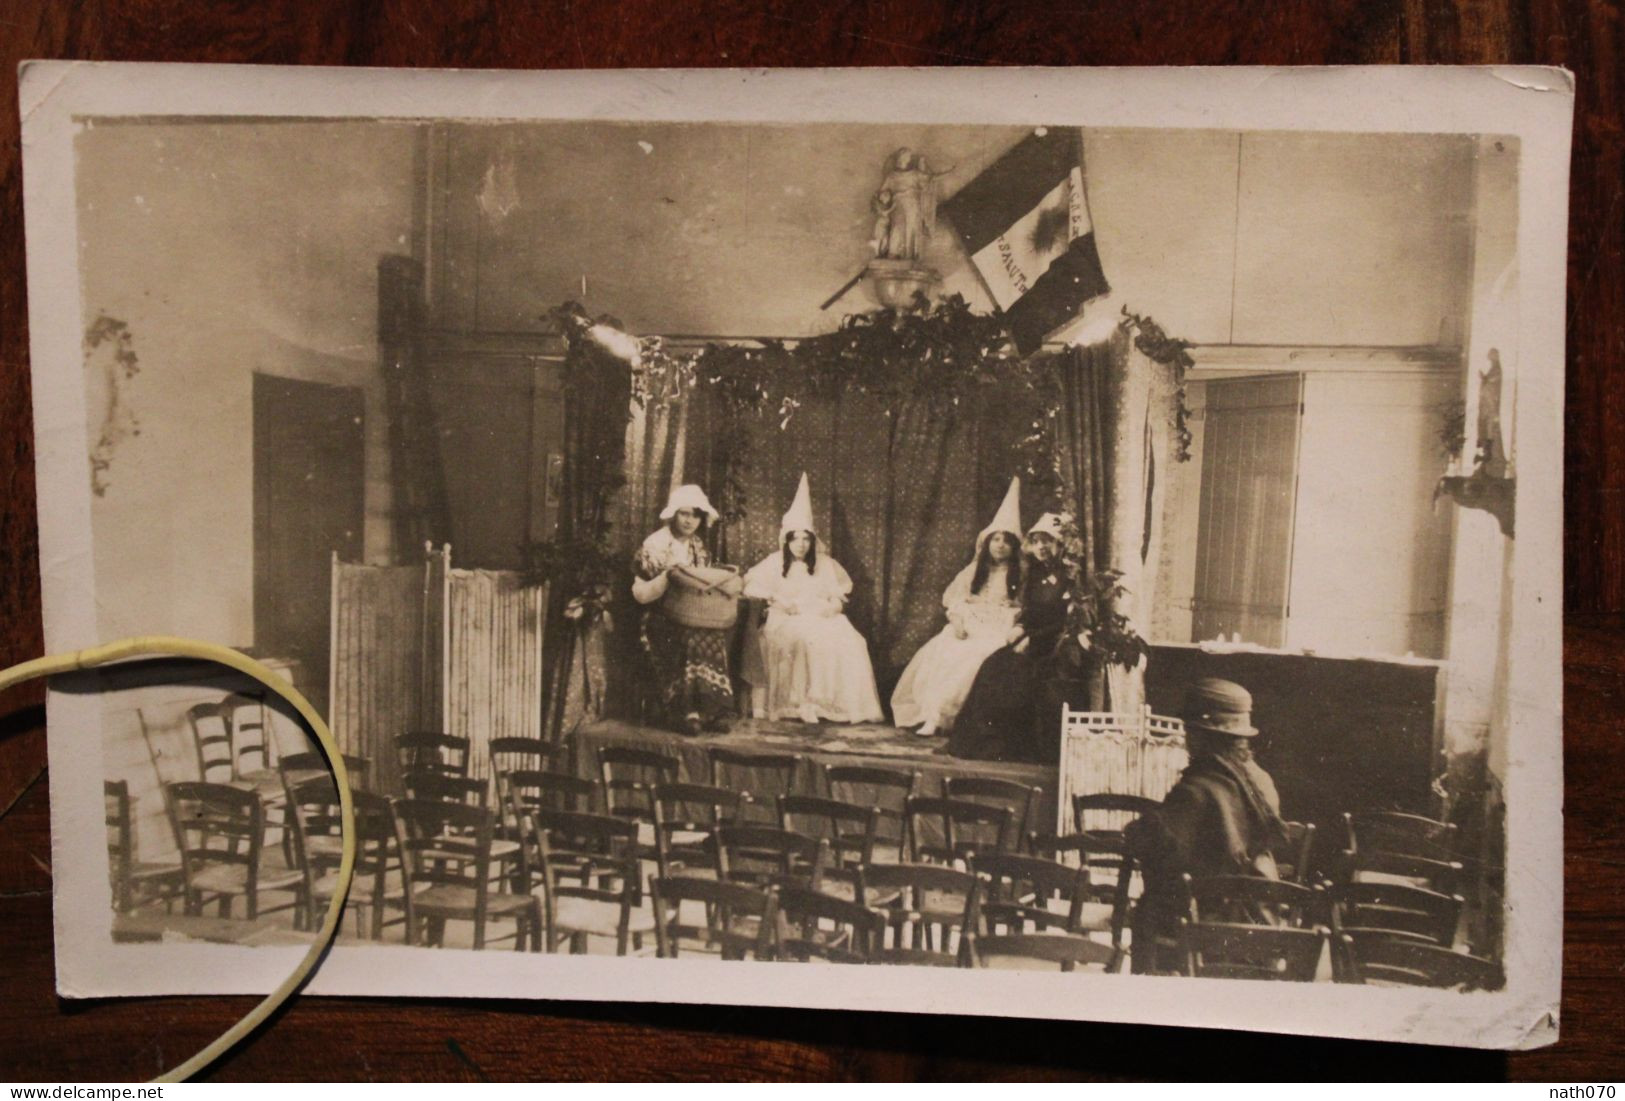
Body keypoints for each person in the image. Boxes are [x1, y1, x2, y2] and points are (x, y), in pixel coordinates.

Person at [1125, 677, 1289, 974]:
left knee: (1148, 907)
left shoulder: (1196, 789)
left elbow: (1154, 844)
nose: (1186, 739)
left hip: (1205, 925)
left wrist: (1140, 827)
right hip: (1260, 917)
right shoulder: (1261, 779)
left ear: (1202, 735)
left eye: (1189, 731)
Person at [742, 474, 885, 725]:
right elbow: (752, 585)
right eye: (795, 538)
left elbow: (839, 594)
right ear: (786, 540)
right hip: (787, 616)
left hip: (819, 616)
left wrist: (833, 606)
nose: (801, 544)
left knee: (850, 639)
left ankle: (827, 705)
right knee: (802, 639)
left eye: (806, 538)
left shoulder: (825, 564)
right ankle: (800, 703)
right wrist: (777, 599)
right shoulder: (774, 562)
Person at [891, 477, 1025, 737]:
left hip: (999, 629)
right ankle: (934, 715)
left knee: (978, 659)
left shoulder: (1020, 574)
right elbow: (955, 600)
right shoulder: (974, 571)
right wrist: (958, 622)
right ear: (986, 544)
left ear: (1014, 546)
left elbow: (1022, 608)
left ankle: (961, 719)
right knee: (947, 653)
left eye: (1006, 540)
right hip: (970, 624)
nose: (1000, 545)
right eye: (995, 539)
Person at [946, 512, 1073, 762]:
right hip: (1032, 636)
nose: (1041, 548)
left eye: (1047, 541)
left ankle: (1004, 746)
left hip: (1052, 643)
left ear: (1060, 544)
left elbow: (1063, 620)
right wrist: (1021, 627)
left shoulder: (1069, 576)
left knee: (1010, 673)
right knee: (992, 665)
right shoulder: (1036, 574)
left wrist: (1031, 638)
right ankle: (982, 744)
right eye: (1036, 542)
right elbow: (1032, 611)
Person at [631, 484, 736, 737]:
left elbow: (702, 585)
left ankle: (711, 710)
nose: (690, 521)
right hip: (657, 614)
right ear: (674, 514)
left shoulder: (699, 546)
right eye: (684, 514)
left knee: (714, 636)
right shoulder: (655, 543)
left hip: (693, 613)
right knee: (689, 639)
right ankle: (684, 711)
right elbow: (640, 592)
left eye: (696, 515)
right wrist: (669, 576)